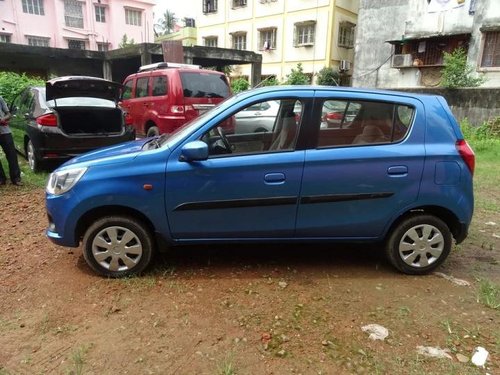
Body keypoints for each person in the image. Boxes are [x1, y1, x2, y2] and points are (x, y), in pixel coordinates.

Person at [0, 95, 22, 186]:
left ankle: (16, 178)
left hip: (4, 131)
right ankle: (1, 179)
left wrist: (3, 119)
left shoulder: (0, 98)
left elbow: (8, 114)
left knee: (12, 155)